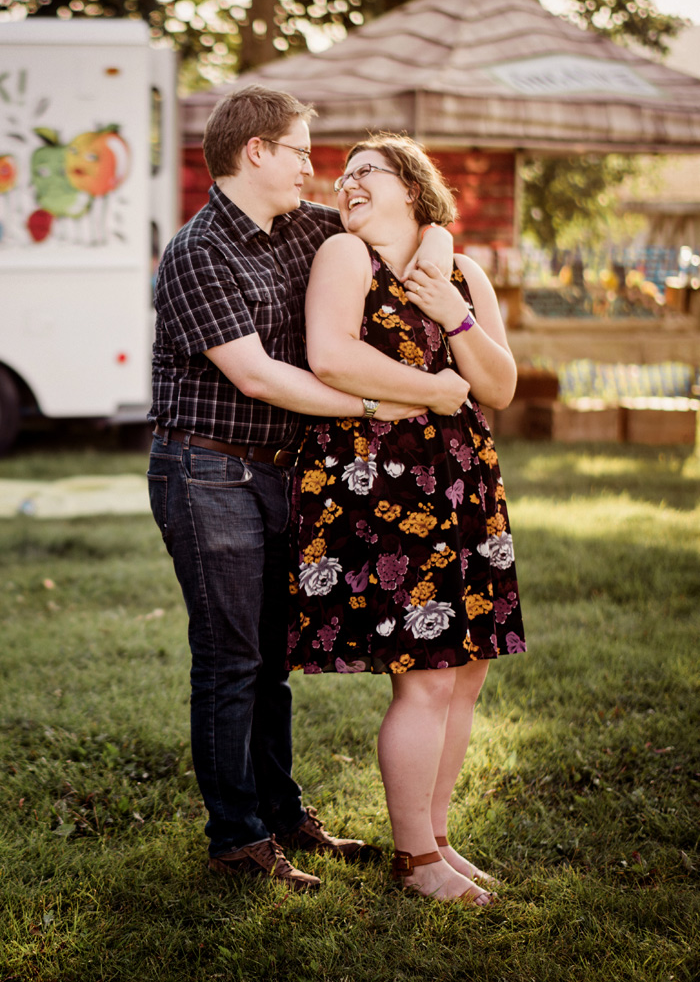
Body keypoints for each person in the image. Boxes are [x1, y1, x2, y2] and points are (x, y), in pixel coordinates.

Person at [147, 86, 468, 891]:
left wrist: (437, 244)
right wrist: (375, 401)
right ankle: (237, 841)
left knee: (270, 662)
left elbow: (407, 221)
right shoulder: (196, 252)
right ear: (256, 151)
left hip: (278, 471)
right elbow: (256, 374)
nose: (312, 168)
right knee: (230, 659)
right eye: (298, 151)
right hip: (206, 466)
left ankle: (283, 816)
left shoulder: (304, 228)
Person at [290, 132, 525, 906]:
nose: (347, 183)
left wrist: (455, 315)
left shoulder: (462, 272)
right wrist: (431, 390)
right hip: (384, 483)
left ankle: (440, 841)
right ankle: (413, 858)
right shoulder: (344, 257)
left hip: (461, 484)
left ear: (414, 188)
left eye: (367, 172)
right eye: (344, 173)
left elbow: (498, 384)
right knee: (425, 677)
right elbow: (330, 357)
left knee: (464, 673)